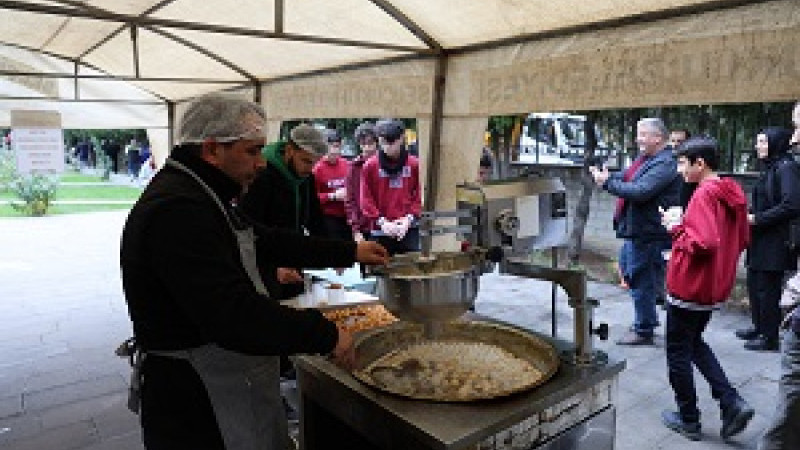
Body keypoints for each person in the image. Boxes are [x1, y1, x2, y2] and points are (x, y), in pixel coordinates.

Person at [119, 94, 388, 450]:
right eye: (252, 151)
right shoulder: (178, 209)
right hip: (194, 399)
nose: (262, 163)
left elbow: (268, 240)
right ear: (213, 149)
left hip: (221, 386)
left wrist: (350, 250)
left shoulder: (204, 193)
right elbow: (233, 314)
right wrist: (324, 333)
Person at [659, 136, 754, 442]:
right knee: (694, 343)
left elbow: (703, 242)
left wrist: (676, 228)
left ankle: (689, 419)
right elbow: (741, 239)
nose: (679, 171)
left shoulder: (704, 193)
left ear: (700, 163)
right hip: (713, 286)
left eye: (682, 163)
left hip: (690, 287)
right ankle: (730, 402)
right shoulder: (732, 191)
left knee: (677, 352)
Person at [590, 118, 681, 345]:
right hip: (638, 231)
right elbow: (628, 176)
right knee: (633, 274)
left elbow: (641, 191)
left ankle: (644, 329)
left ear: (657, 138)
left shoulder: (665, 163)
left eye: (642, 134)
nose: (637, 139)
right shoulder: (647, 160)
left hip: (649, 234)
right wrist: (608, 176)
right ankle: (647, 319)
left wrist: (606, 183)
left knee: (641, 279)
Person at [239, 123, 328, 301]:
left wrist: (336, 251)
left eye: (314, 163)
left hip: (292, 257)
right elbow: (248, 226)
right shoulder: (262, 175)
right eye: (305, 161)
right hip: (264, 264)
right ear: (289, 151)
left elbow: (315, 218)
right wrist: (274, 268)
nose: (310, 168)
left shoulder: (306, 178)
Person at [759, 100, 800, 450]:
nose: (795, 137)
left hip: (773, 241)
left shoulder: (786, 168)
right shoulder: (776, 166)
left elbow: (788, 205)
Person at [739, 127, 800, 351]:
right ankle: (759, 326)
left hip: (776, 237)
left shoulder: (787, 167)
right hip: (761, 236)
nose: (758, 146)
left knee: (768, 287)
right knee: (755, 282)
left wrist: (757, 218)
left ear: (775, 143)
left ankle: (769, 336)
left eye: (763, 142)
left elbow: (791, 204)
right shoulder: (771, 167)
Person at [360, 119, 422, 256]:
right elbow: (366, 199)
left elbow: (419, 195)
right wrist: (382, 222)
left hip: (408, 229)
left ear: (401, 139)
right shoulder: (370, 166)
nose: (387, 147)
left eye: (391, 142)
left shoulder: (414, 165)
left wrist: (409, 219)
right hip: (380, 230)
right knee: (382, 272)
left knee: (411, 271)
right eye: (383, 143)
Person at [312, 129, 352, 241]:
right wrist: (333, 196)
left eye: (337, 146)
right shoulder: (317, 169)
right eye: (330, 147)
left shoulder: (347, 164)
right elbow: (313, 198)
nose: (334, 151)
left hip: (347, 216)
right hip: (328, 217)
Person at [345, 122, 379, 242]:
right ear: (359, 145)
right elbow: (350, 200)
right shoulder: (353, 167)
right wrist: (355, 230)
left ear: (377, 143)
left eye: (371, 143)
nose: (368, 148)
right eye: (364, 144)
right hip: (363, 227)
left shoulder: (385, 165)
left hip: (383, 227)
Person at [670, 129, 697, 210]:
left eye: (679, 141)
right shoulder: (668, 161)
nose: (675, 144)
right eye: (672, 141)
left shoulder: (693, 165)